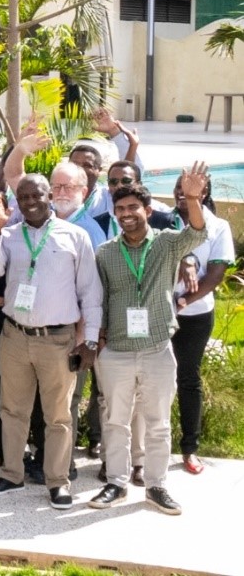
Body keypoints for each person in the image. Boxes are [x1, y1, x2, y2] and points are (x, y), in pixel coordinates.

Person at [87, 167, 210, 516]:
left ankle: (156, 486)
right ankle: (116, 483)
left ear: (147, 210)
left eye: (132, 209)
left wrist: (191, 197)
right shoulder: (106, 253)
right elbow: (101, 297)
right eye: (120, 210)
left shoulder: (168, 243)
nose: (126, 215)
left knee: (158, 422)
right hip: (117, 352)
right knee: (115, 421)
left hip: (157, 348)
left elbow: (198, 232)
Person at [0, 176, 102, 509]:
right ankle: (11, 474)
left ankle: (58, 482)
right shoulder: (8, 236)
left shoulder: (75, 236)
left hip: (58, 339)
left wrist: (89, 340)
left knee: (58, 416)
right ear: (16, 201)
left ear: (49, 196)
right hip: (15, 336)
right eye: (23, 196)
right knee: (13, 410)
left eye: (37, 194)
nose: (30, 201)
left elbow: (90, 292)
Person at [168, 170, 234, 476]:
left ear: (203, 192)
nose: (182, 194)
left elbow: (216, 275)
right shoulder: (160, 219)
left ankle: (189, 448)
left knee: (188, 379)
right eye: (178, 189)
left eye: (189, 190)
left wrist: (183, 302)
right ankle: (146, 447)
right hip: (156, 315)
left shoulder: (218, 227)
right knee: (149, 381)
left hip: (194, 316)